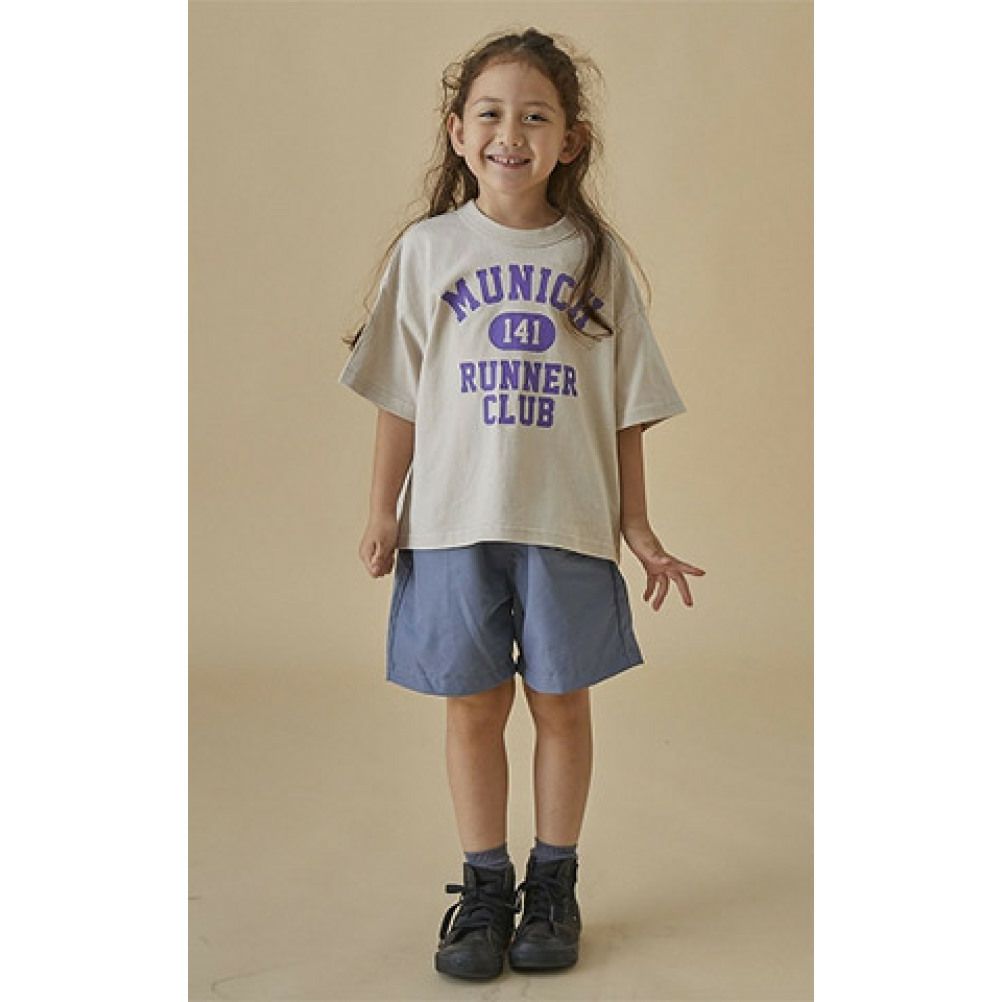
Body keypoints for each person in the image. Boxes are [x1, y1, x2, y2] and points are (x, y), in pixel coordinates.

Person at [338, 26, 705, 981]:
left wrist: (636, 525)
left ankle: (553, 883)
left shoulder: (594, 257)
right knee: (471, 709)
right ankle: (484, 887)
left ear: (570, 139)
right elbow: (398, 396)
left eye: (536, 116)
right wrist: (383, 510)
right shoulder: (428, 252)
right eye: (492, 114)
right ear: (458, 132)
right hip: (452, 522)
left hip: (564, 522)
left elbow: (624, 407)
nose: (512, 134)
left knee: (561, 705)